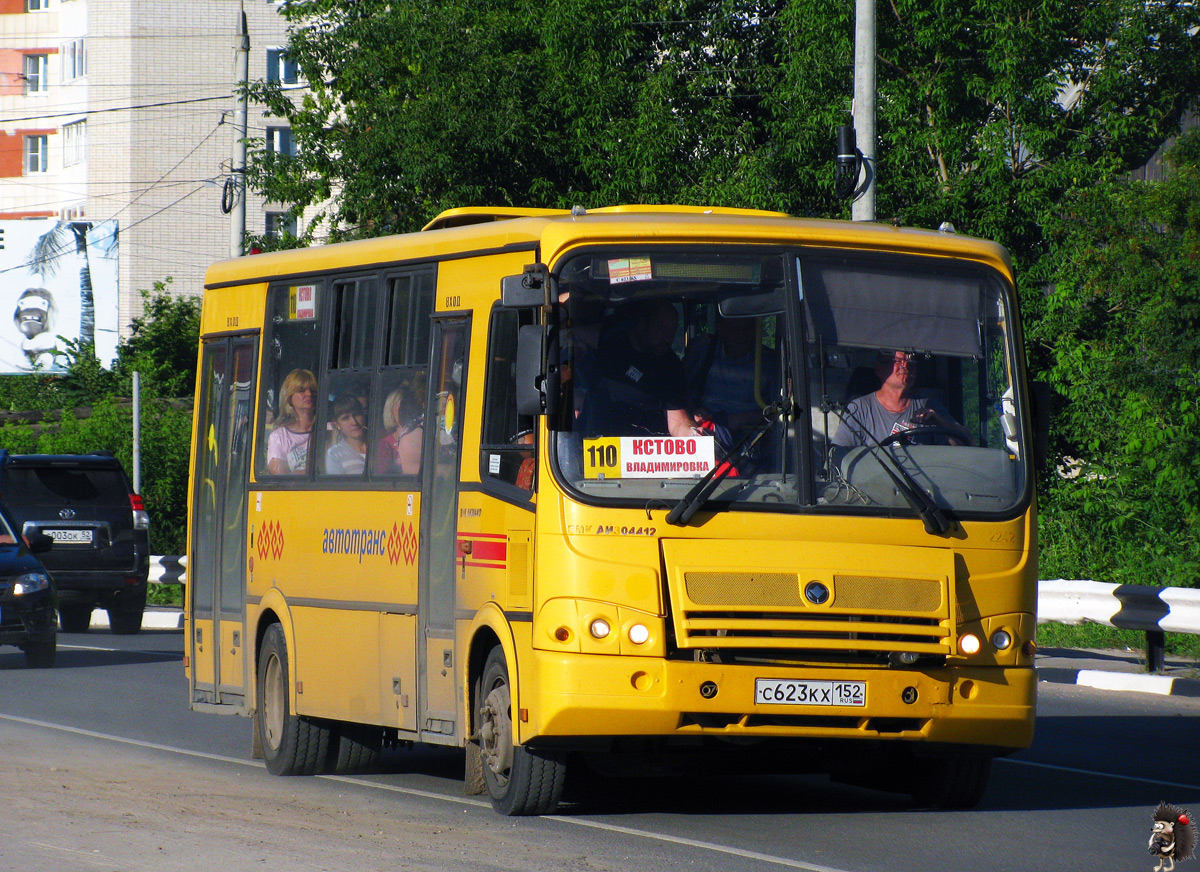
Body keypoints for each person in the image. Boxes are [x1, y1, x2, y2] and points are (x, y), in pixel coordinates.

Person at [582, 299, 701, 438]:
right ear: (642, 323)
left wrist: (693, 435)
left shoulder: (671, 366)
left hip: (646, 452)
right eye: (661, 329)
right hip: (597, 445)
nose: (667, 337)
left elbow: (678, 420)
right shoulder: (611, 346)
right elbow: (572, 329)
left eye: (672, 331)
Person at [831, 350, 970, 448]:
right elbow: (840, 455)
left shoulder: (929, 406)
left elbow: (968, 443)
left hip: (918, 488)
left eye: (911, 361)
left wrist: (939, 421)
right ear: (879, 369)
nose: (906, 366)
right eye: (898, 361)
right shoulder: (859, 409)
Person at [684, 315, 778, 443]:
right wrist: (695, 411)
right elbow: (682, 392)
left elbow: (778, 408)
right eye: (735, 328)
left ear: (755, 329)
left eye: (747, 327)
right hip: (707, 432)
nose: (741, 334)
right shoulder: (704, 352)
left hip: (752, 439)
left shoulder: (769, 361)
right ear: (721, 328)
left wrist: (742, 419)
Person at [266, 369, 317, 474]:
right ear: (289, 398)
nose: (309, 394)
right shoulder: (279, 436)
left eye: (312, 390)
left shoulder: (330, 428)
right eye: (302, 390)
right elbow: (281, 478)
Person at [375, 383, 424, 475]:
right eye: (401, 405)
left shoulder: (424, 434)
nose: (405, 410)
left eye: (409, 405)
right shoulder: (385, 446)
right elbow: (380, 481)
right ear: (390, 410)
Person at [324, 394, 368, 475]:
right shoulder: (334, 455)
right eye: (345, 418)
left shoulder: (379, 445)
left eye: (357, 414)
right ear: (337, 424)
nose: (354, 422)